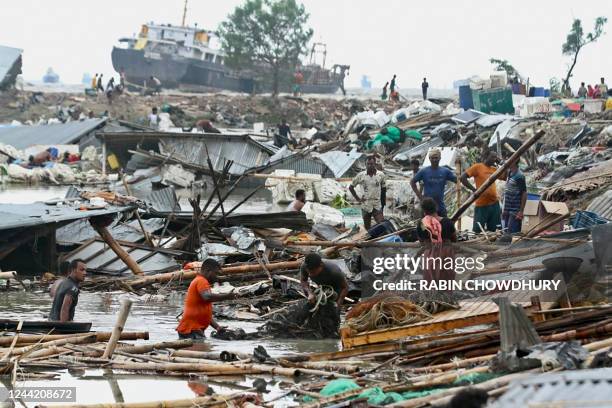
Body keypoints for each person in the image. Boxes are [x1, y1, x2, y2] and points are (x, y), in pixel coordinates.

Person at [176, 259, 239, 339]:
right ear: (208, 271)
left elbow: (205, 313)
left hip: (191, 329)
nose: (216, 277)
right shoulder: (201, 281)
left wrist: (217, 327)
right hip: (191, 329)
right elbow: (207, 297)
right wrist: (227, 296)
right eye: (215, 273)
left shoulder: (200, 281)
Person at [460, 152, 504, 233]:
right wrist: (474, 189)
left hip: (494, 204)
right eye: (492, 157)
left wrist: (502, 163)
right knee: (478, 230)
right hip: (482, 204)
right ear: (486, 156)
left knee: (495, 231)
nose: (494, 159)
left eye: (495, 158)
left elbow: (505, 177)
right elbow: (462, 178)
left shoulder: (494, 169)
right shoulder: (477, 167)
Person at [416, 198, 457, 283]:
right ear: (436, 208)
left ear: (424, 211)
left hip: (430, 253)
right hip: (446, 252)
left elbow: (421, 240)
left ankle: (431, 295)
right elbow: (454, 238)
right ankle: (446, 296)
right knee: (447, 280)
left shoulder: (422, 224)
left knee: (430, 280)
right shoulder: (447, 222)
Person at [411, 149, 457, 217]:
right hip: (427, 207)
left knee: (444, 225)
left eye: (436, 158)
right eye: (432, 158)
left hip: (440, 206)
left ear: (440, 158)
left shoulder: (445, 171)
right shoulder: (424, 171)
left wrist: (460, 173)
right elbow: (412, 182)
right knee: (427, 226)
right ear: (429, 159)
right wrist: (420, 197)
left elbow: (457, 180)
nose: (434, 160)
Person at [349, 155, 386, 230]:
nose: (369, 166)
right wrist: (358, 199)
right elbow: (351, 187)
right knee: (367, 228)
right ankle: (370, 240)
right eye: (368, 164)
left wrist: (383, 204)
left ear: (375, 164)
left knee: (382, 224)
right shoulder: (361, 175)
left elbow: (383, 189)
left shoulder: (381, 175)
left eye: (371, 164)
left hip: (377, 204)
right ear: (365, 165)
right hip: (365, 204)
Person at [502, 158, 527, 234]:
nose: (507, 161)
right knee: (506, 231)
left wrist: (521, 211)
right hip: (508, 209)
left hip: (515, 210)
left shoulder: (519, 176)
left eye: (508, 159)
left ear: (515, 160)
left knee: (512, 233)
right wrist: (505, 210)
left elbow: (524, 193)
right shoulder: (510, 173)